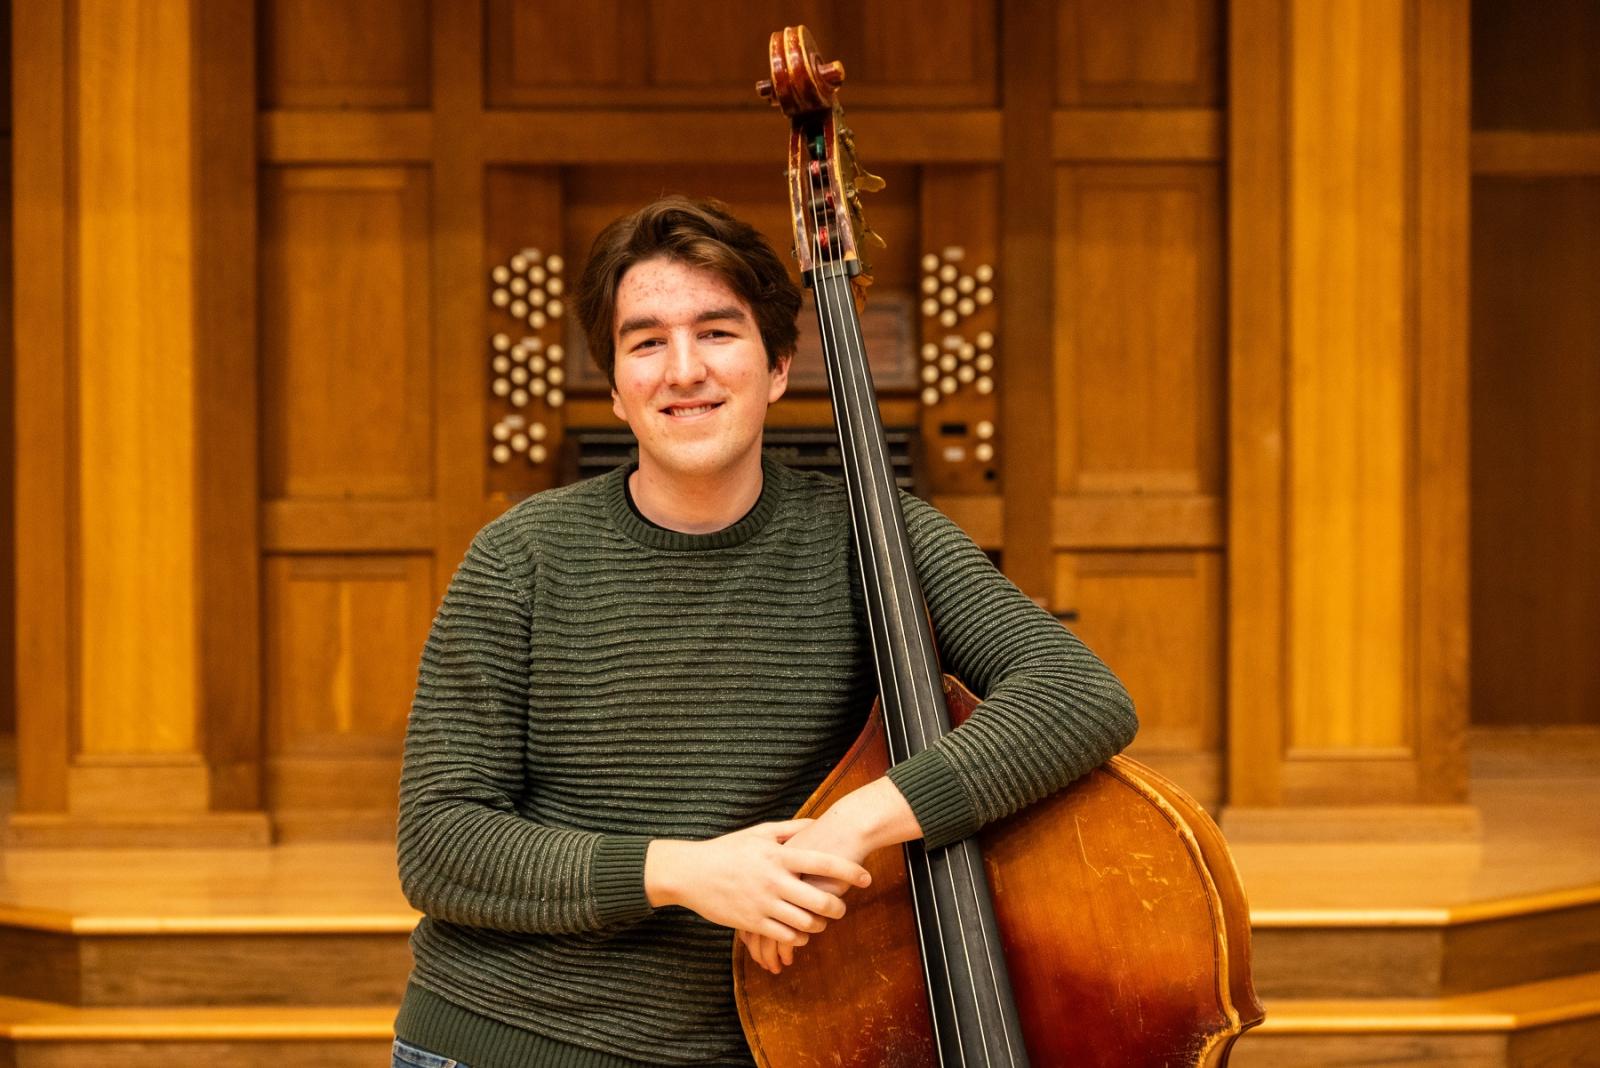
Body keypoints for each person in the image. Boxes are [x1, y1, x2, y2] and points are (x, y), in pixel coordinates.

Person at [391, 195, 1137, 1068]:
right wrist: (682, 871)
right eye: (646, 342)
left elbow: (1079, 694)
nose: (683, 370)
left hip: (785, 1043)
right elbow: (440, 844)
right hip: (513, 1041)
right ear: (616, 384)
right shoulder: (520, 557)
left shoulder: (875, 536)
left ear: (778, 364)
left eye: (717, 333)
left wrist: (852, 826)